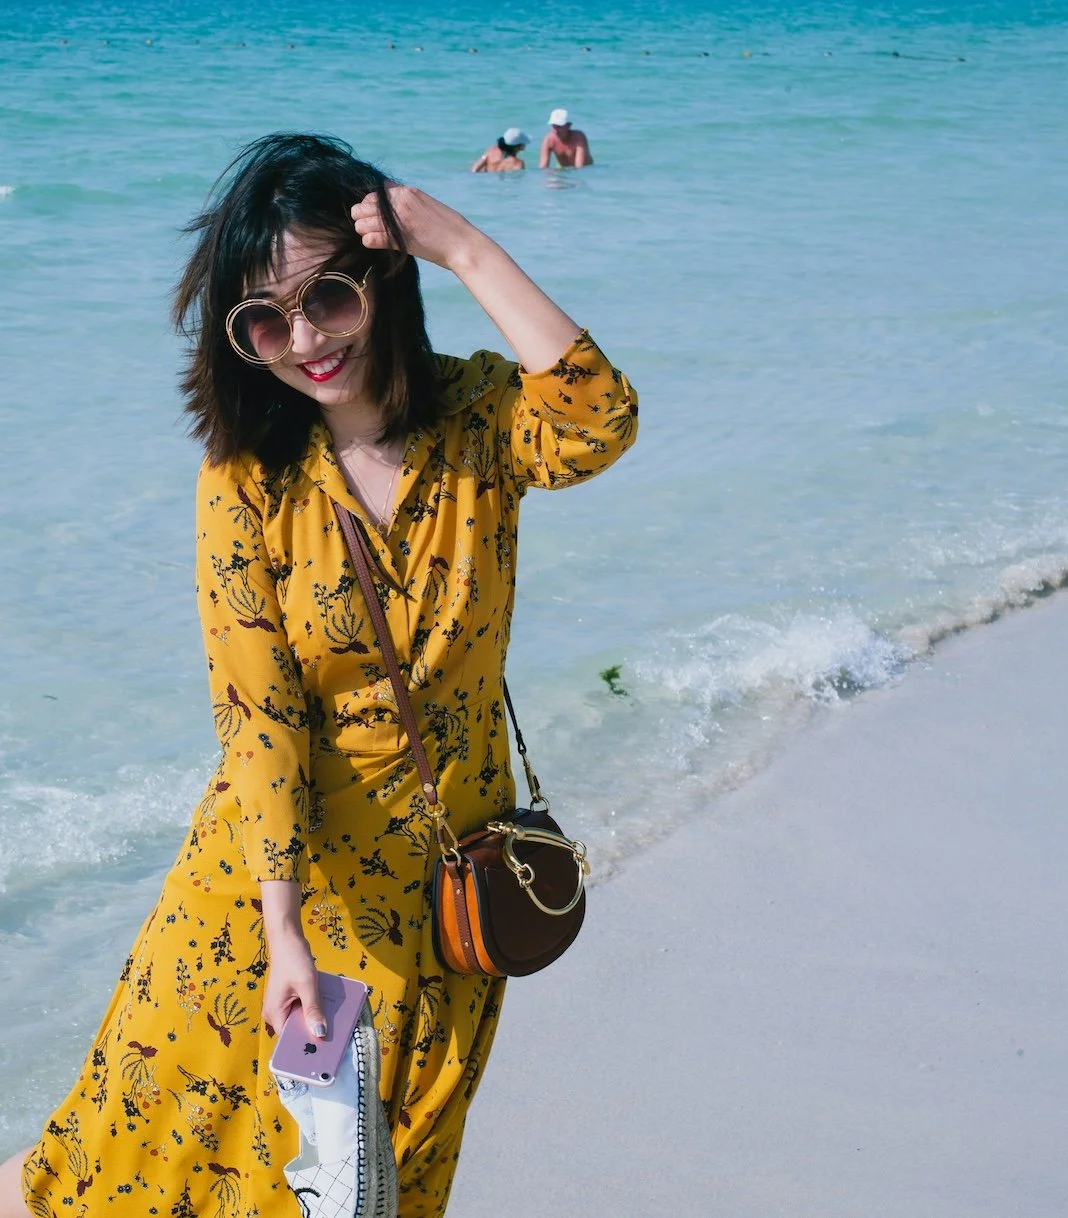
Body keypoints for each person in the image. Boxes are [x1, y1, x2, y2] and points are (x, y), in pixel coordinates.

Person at [0, 133, 637, 1218]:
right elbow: (259, 717)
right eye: (265, 321)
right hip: (270, 900)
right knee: (115, 1168)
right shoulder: (246, 480)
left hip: (445, 893)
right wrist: (284, 928)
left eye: (328, 298)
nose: (304, 342)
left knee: (374, 1181)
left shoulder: (478, 421)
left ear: (380, 280)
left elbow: (598, 420)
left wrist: (461, 246)